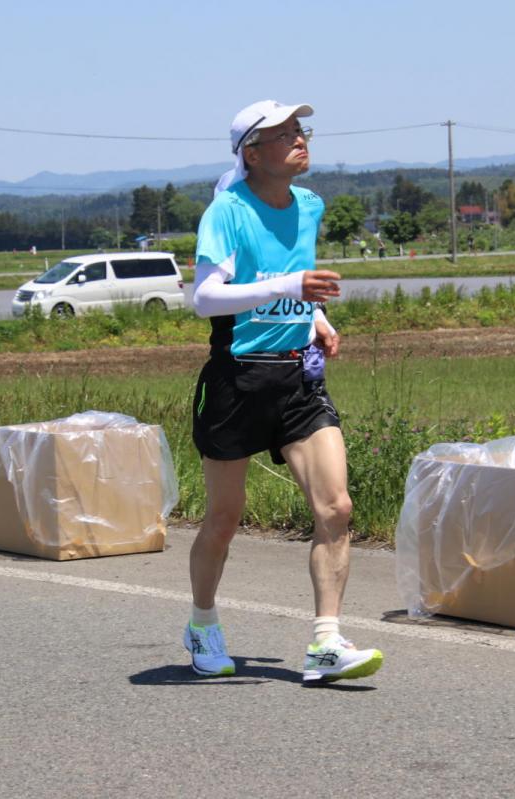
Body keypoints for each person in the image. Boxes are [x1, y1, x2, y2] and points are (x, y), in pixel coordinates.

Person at [185, 99, 384, 684]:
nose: (301, 139)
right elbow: (204, 298)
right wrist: (293, 284)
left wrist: (312, 315)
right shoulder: (227, 212)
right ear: (252, 154)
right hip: (236, 380)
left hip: (296, 375)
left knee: (336, 507)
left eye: (302, 129)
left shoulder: (310, 205)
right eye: (284, 134)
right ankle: (202, 625)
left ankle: (326, 642)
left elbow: (296, 278)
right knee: (224, 518)